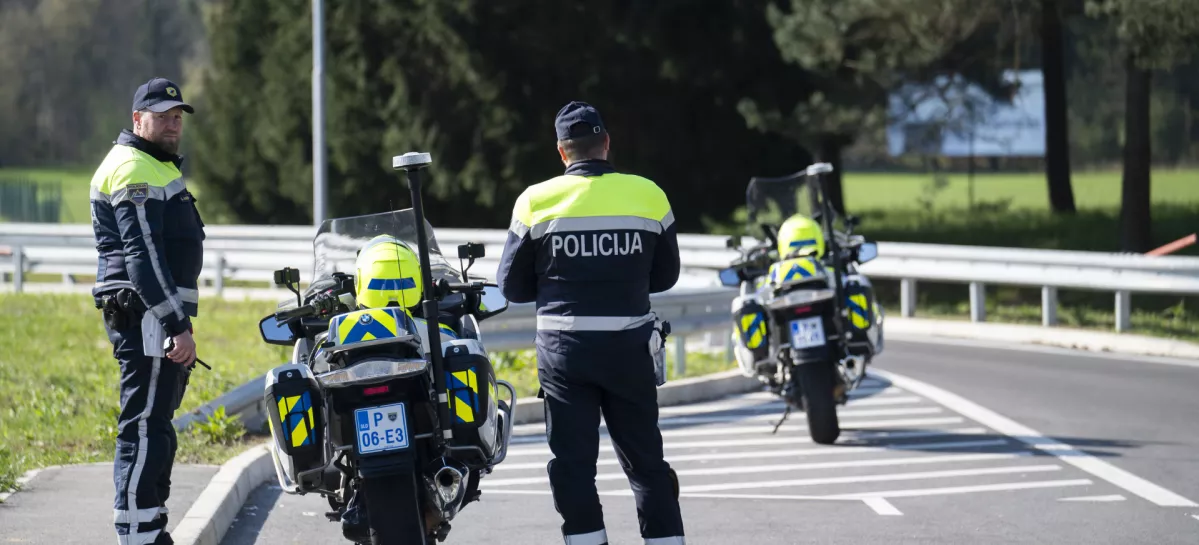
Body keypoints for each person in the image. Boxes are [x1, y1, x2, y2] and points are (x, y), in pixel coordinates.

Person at [497, 101, 686, 545]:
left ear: (562, 152)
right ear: (606, 144)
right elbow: (667, 275)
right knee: (646, 463)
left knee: (573, 466)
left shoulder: (535, 200)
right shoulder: (648, 194)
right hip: (629, 350)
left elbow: (510, 285)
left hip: (565, 353)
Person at [90, 77, 204, 545]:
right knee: (144, 427)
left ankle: (150, 527)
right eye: (162, 115)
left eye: (177, 115)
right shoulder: (134, 168)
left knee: (156, 426)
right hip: (149, 319)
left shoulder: (153, 165)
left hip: (154, 318)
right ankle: (138, 534)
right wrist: (177, 324)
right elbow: (143, 259)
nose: (173, 123)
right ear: (138, 119)